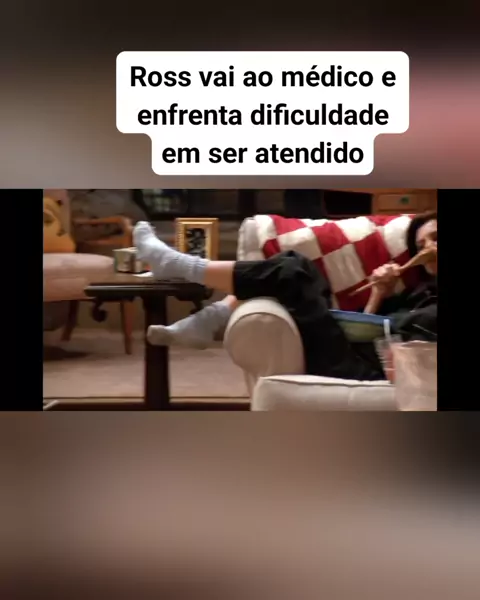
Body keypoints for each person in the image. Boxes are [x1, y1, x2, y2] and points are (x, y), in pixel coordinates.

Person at [133, 211, 437, 381]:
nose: (429, 249)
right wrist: (379, 293)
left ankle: (182, 271)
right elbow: (369, 330)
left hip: (360, 371)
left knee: (293, 271)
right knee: (297, 267)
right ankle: (209, 317)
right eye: (422, 244)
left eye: (435, 239)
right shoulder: (419, 291)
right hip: (352, 353)